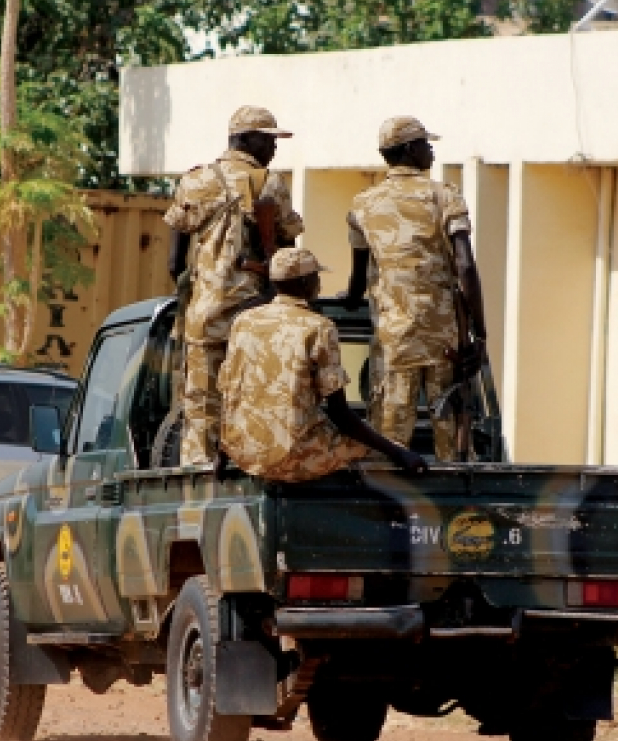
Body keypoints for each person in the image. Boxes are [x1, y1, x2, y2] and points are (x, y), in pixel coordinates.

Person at [164, 105, 304, 465]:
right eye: (269, 139)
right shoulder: (268, 183)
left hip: (203, 318)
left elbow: (174, 262)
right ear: (245, 139)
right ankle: (245, 478)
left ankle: (198, 485)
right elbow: (288, 256)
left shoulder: (194, 180)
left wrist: (200, 291)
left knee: (200, 407)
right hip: (253, 320)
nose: (275, 148)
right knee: (251, 403)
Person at [342, 116, 487, 462]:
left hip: (394, 342)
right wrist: (480, 333)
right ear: (410, 149)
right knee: (452, 442)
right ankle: (453, 509)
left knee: (390, 442)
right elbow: (465, 266)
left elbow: (359, 277)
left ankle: (389, 510)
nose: (431, 150)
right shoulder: (444, 196)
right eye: (425, 143)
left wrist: (348, 300)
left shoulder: (363, 205)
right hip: (445, 341)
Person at [217, 247, 427, 482]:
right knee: (381, 450)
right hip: (292, 457)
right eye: (316, 277)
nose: (319, 283)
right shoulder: (319, 328)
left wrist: (223, 453)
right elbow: (341, 414)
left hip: (243, 452)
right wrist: (398, 453)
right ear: (306, 282)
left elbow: (229, 393)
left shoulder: (243, 322)